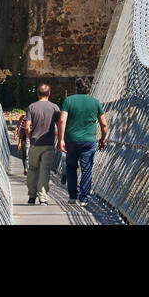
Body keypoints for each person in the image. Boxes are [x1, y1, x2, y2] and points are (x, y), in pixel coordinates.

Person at [57, 77, 107, 206]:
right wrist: (103, 138)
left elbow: (62, 120)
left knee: (71, 167)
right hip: (89, 141)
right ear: (89, 89)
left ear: (77, 88)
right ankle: (84, 198)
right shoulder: (95, 102)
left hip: (71, 140)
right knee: (87, 169)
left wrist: (61, 139)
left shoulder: (68, 101)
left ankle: (73, 196)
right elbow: (104, 124)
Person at [22, 84, 61, 205]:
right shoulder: (55, 108)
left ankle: (32, 196)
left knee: (33, 169)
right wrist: (60, 140)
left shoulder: (31, 107)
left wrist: (29, 137)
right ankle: (43, 197)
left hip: (35, 143)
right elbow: (60, 125)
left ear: (38, 94)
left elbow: (27, 127)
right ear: (49, 94)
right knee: (45, 170)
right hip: (48, 143)